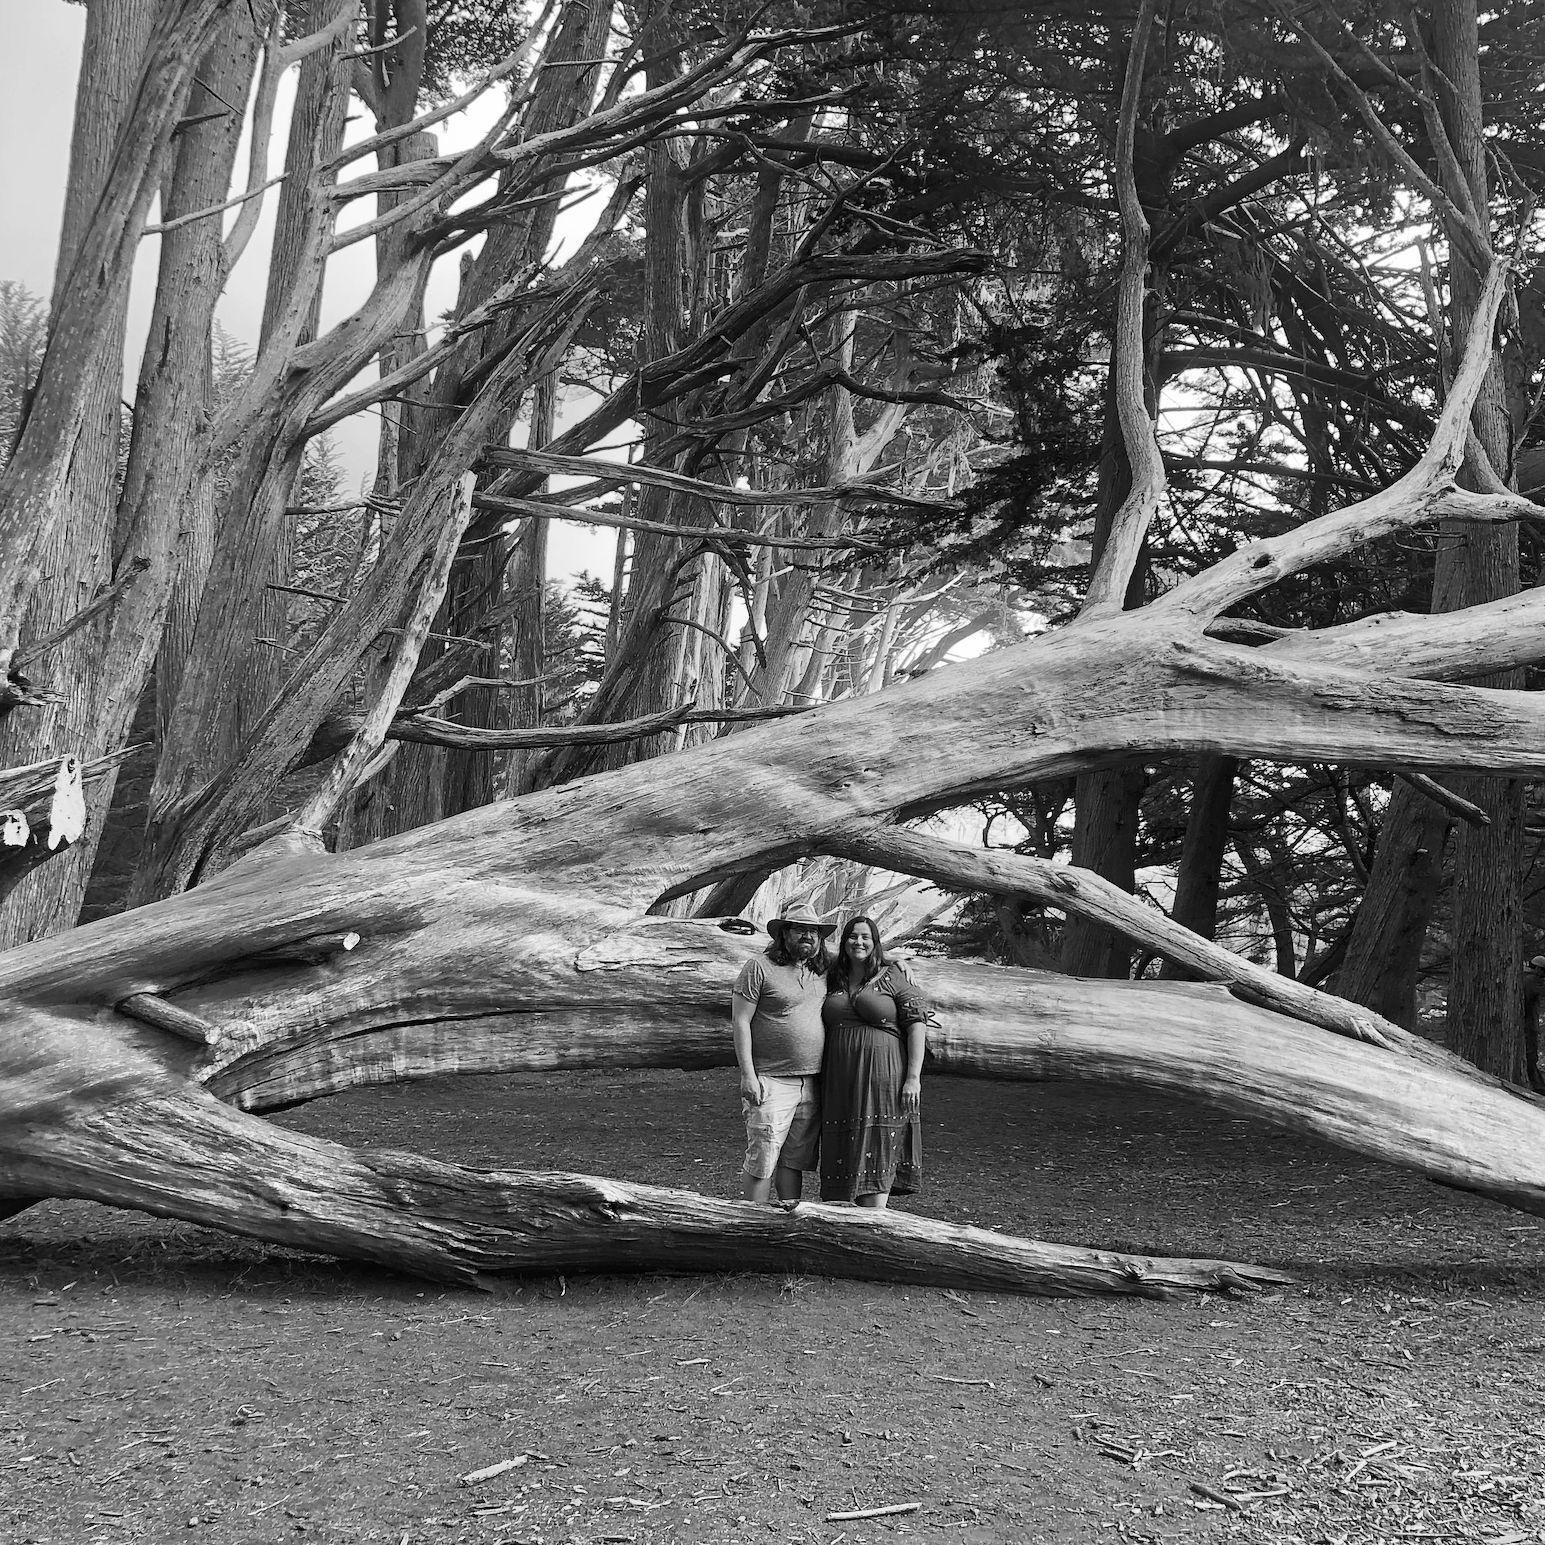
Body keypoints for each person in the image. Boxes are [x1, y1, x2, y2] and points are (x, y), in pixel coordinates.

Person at [819, 915, 929, 1208]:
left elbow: (917, 1024)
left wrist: (913, 1078)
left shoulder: (892, 975)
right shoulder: (831, 975)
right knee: (841, 1146)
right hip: (840, 1081)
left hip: (885, 1079)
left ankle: (873, 1220)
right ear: (843, 942)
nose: (859, 942)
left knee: (878, 1142)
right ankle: (839, 1221)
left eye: (866, 937)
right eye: (853, 936)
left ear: (875, 942)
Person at [730, 906, 834, 1203]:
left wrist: (898, 961)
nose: (807, 936)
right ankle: (753, 1224)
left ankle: (787, 1224)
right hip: (770, 1080)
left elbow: (865, 954)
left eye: (814, 931)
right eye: (800, 929)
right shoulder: (759, 967)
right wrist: (748, 1075)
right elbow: (740, 1022)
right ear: (784, 933)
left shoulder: (821, 969)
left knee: (794, 1160)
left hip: (812, 1081)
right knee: (762, 1159)